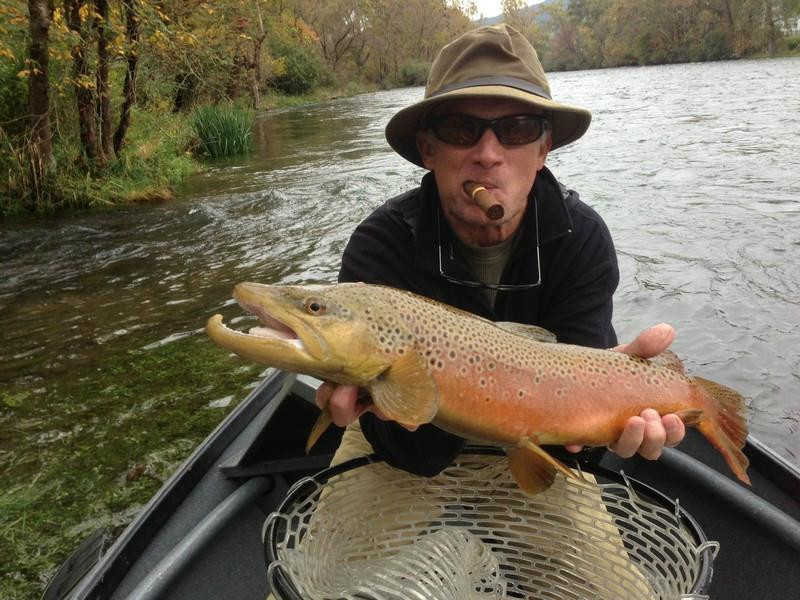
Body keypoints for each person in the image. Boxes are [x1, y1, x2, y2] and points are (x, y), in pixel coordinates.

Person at [318, 24, 685, 474]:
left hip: (538, 456)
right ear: (428, 148)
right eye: (460, 129)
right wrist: (392, 403)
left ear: (544, 148)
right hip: (401, 457)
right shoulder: (381, 245)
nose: (488, 154)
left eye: (517, 128)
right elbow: (415, 457)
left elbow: (574, 460)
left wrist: (604, 420)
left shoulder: (581, 239)